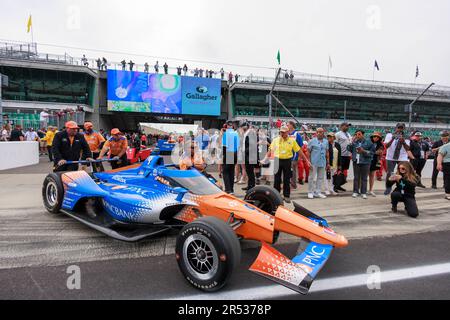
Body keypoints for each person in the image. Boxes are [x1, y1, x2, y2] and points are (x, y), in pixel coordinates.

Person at [262, 126, 301, 203]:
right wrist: (264, 159)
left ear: (287, 132)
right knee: (277, 179)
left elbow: (299, 150)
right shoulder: (275, 140)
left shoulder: (292, 141)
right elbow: (270, 151)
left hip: (287, 161)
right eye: (281, 132)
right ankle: (276, 195)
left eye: (283, 132)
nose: (282, 133)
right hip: (277, 160)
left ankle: (286, 196)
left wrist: (306, 160)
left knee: (286, 179)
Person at [384, 123, 411, 195]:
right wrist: (392, 138)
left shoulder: (406, 136)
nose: (400, 129)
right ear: (396, 128)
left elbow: (408, 149)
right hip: (390, 157)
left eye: (401, 128)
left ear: (404, 129)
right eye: (399, 127)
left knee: (403, 173)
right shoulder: (389, 135)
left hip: (402, 157)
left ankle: (401, 187)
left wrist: (404, 142)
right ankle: (388, 187)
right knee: (389, 173)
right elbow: (386, 146)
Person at [347, 130, 375, 199]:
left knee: (364, 178)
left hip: (365, 162)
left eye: (359, 134)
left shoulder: (369, 142)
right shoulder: (354, 142)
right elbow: (349, 149)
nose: (357, 136)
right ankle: (355, 191)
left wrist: (363, 151)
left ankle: (363, 192)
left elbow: (372, 153)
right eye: (356, 134)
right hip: (356, 161)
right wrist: (351, 142)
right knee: (356, 177)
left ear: (363, 135)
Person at [307, 128, 329, 199]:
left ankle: (318, 192)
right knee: (311, 177)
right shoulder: (312, 141)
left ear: (323, 133)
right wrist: (308, 161)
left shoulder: (326, 141)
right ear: (316, 133)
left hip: (322, 162)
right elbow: (308, 152)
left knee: (320, 178)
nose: (320, 133)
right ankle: (310, 192)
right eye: (318, 132)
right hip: (314, 162)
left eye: (321, 132)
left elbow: (327, 152)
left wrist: (327, 162)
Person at [222, 121, 240, 195]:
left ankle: (228, 190)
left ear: (227, 126)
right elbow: (238, 146)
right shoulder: (236, 133)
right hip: (235, 153)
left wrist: (223, 155)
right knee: (231, 171)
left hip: (229, 153)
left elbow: (224, 146)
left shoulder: (226, 133)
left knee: (225, 172)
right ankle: (231, 189)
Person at [287, 120, 305, 190]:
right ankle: (288, 184)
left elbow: (301, 146)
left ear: (291, 125)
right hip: (287, 155)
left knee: (293, 171)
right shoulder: (287, 133)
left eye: (288, 125)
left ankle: (293, 185)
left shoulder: (297, 134)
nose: (287, 126)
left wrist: (299, 157)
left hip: (294, 156)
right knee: (287, 171)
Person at [335, 122, 352, 190]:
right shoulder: (338, 134)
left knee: (344, 171)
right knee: (339, 170)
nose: (347, 127)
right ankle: (335, 186)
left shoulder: (348, 134)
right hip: (341, 155)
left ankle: (339, 185)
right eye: (346, 126)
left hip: (347, 155)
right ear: (341, 126)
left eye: (348, 126)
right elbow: (335, 144)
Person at [241, 123, 258, 192]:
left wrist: (245, 151)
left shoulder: (250, 133)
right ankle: (249, 185)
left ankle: (252, 187)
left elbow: (252, 146)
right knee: (248, 171)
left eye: (243, 126)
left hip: (250, 155)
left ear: (247, 127)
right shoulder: (246, 133)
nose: (242, 128)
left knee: (250, 172)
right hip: (247, 155)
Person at [368, 132, 384, 197]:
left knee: (372, 176)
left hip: (375, 161)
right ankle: (362, 190)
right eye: (374, 136)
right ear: (372, 137)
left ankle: (370, 190)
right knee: (364, 176)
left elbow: (379, 153)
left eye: (377, 137)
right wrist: (374, 152)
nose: (376, 138)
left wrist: (371, 152)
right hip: (367, 160)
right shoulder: (368, 142)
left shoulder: (380, 144)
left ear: (379, 138)